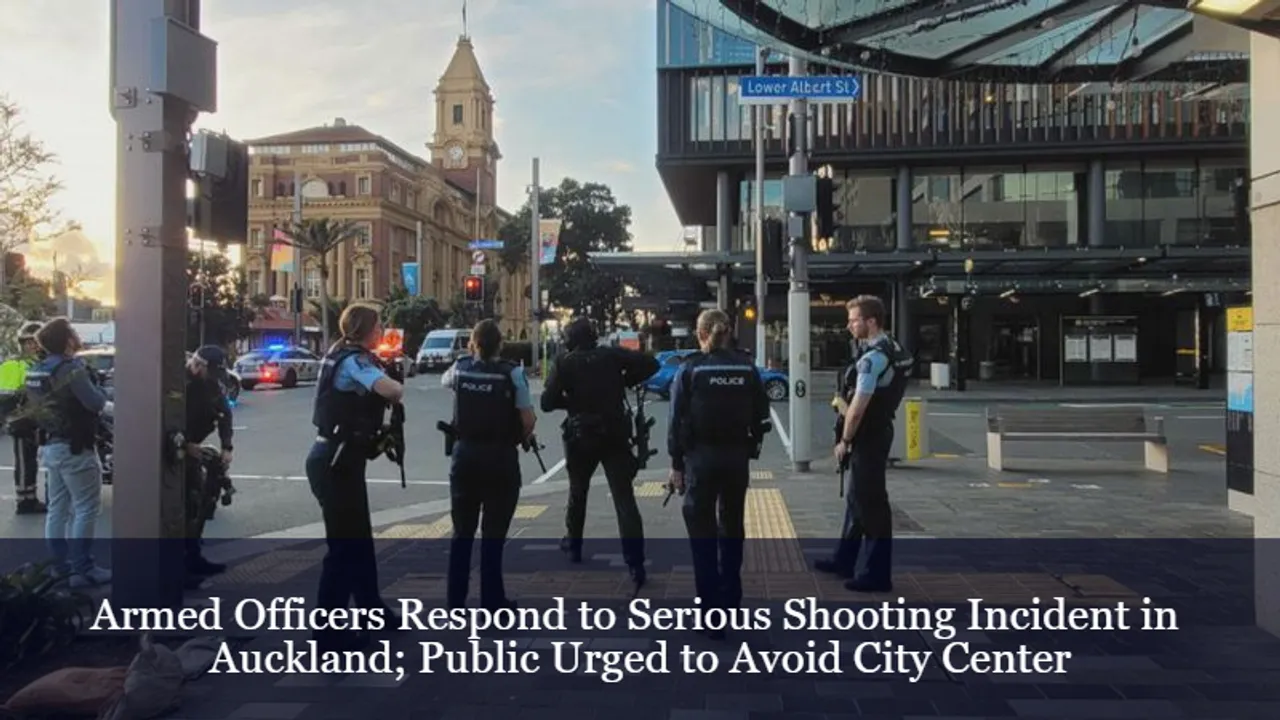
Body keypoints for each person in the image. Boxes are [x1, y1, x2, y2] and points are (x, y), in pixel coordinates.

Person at [306, 304, 405, 652]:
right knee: (344, 547)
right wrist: (393, 378)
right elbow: (391, 391)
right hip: (335, 461)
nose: (382, 331)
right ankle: (329, 634)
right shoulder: (354, 361)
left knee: (359, 540)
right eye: (378, 325)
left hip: (340, 459)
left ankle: (371, 610)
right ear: (365, 329)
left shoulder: (341, 353)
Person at [667, 309, 770, 638]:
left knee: (701, 533)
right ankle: (732, 600)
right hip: (736, 459)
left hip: (701, 459)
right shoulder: (747, 368)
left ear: (701, 333)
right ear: (728, 333)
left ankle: (710, 612)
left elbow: (675, 422)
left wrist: (676, 465)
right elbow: (762, 418)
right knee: (732, 526)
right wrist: (749, 448)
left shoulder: (690, 369)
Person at [541, 317, 657, 587]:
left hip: (580, 436)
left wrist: (570, 401)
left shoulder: (565, 363)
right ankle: (635, 563)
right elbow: (651, 363)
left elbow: (547, 402)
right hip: (614, 435)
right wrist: (626, 381)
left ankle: (575, 544)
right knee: (624, 499)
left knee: (578, 491)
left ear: (571, 340)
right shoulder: (612, 356)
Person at [815, 295, 912, 593]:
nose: (848, 325)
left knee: (871, 506)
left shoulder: (872, 359)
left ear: (871, 322)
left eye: (854, 320)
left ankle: (876, 575)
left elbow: (857, 407)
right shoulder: (894, 348)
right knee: (858, 499)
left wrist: (845, 439)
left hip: (867, 435)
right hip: (879, 429)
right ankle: (844, 559)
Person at [441, 319, 534, 610]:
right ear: (501, 344)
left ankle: (455, 601)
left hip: (464, 457)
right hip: (500, 459)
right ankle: (493, 601)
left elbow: (446, 383)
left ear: (473, 343)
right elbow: (527, 420)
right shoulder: (513, 373)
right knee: (493, 534)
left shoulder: (459, 369)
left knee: (462, 532)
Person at [24, 318, 113, 588]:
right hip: (76, 446)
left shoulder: (38, 370)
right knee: (86, 508)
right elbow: (95, 402)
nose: (76, 335)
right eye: (73, 332)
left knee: (57, 510)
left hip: (51, 446)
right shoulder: (70, 368)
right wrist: (101, 390)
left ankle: (59, 568)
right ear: (67, 340)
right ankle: (82, 568)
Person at [183, 346, 235, 588]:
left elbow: (224, 412)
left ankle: (194, 558)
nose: (211, 377)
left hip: (194, 450)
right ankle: (181, 566)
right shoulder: (180, 384)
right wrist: (184, 444)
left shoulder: (211, 384)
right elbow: (163, 419)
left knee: (200, 505)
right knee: (183, 510)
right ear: (197, 365)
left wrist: (227, 446)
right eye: (208, 371)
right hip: (173, 452)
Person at [1, 322, 48, 514]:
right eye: (27, 342)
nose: (31, 346)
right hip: (22, 421)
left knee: (33, 461)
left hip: (38, 420)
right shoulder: (13, 364)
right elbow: (5, 396)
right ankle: (24, 501)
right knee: (24, 461)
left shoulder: (39, 363)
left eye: (34, 342)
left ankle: (31, 497)